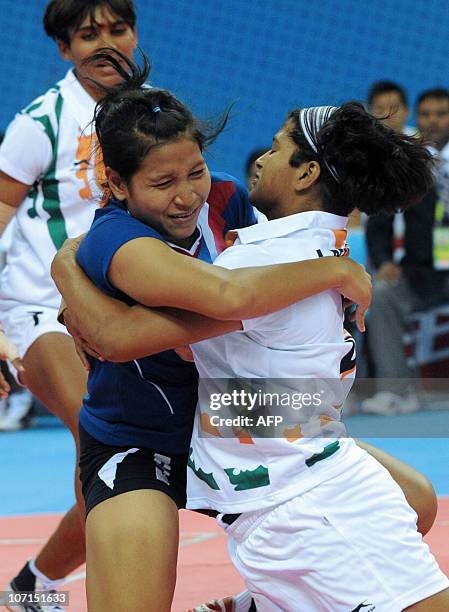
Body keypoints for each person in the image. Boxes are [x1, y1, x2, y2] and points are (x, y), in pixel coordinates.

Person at [51, 52, 444, 611]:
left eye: (195, 171)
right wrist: (63, 267)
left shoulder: (231, 202)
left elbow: (255, 299)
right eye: (163, 183)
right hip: (143, 432)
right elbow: (145, 327)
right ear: (115, 183)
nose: (187, 194)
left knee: (411, 498)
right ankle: (35, 583)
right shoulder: (119, 242)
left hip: (226, 411)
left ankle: (272, 590)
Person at [0, 0, 138, 606]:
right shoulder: (40, 124)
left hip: (124, 314)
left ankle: (33, 585)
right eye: (88, 34)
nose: (107, 43)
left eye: (119, 29)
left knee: (127, 459)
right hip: (39, 311)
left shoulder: (153, 113)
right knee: (109, 446)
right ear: (64, 49)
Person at [364, 87, 449, 415]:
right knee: (383, 295)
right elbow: (379, 218)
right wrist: (384, 261)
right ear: (417, 115)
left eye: (441, 114)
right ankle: (396, 392)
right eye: (426, 114)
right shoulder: (407, 161)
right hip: (421, 272)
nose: (433, 121)